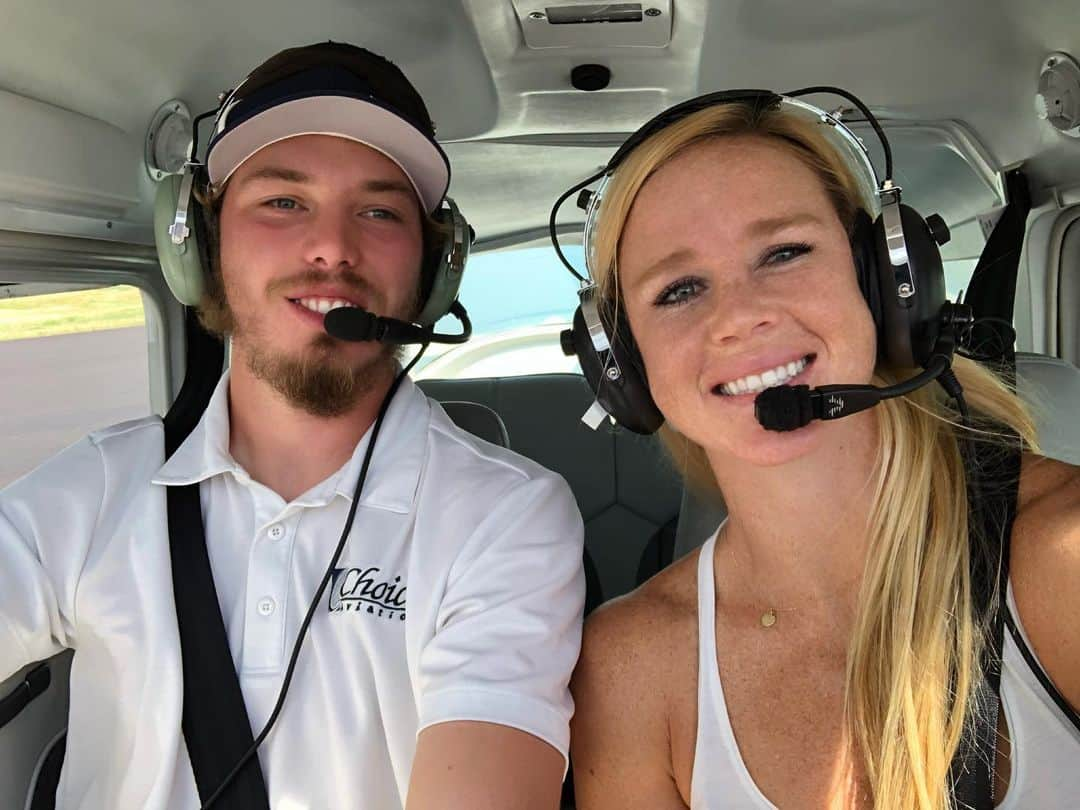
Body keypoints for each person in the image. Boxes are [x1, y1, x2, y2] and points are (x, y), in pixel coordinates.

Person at [0, 42, 584, 809]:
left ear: (434, 269)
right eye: (283, 202)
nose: (333, 249)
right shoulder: (96, 488)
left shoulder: (503, 516)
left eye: (378, 211)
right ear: (201, 248)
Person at [566, 91, 1079, 808]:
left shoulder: (1063, 554)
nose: (740, 317)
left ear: (882, 285)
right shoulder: (630, 668)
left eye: (784, 252)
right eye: (679, 289)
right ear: (622, 362)